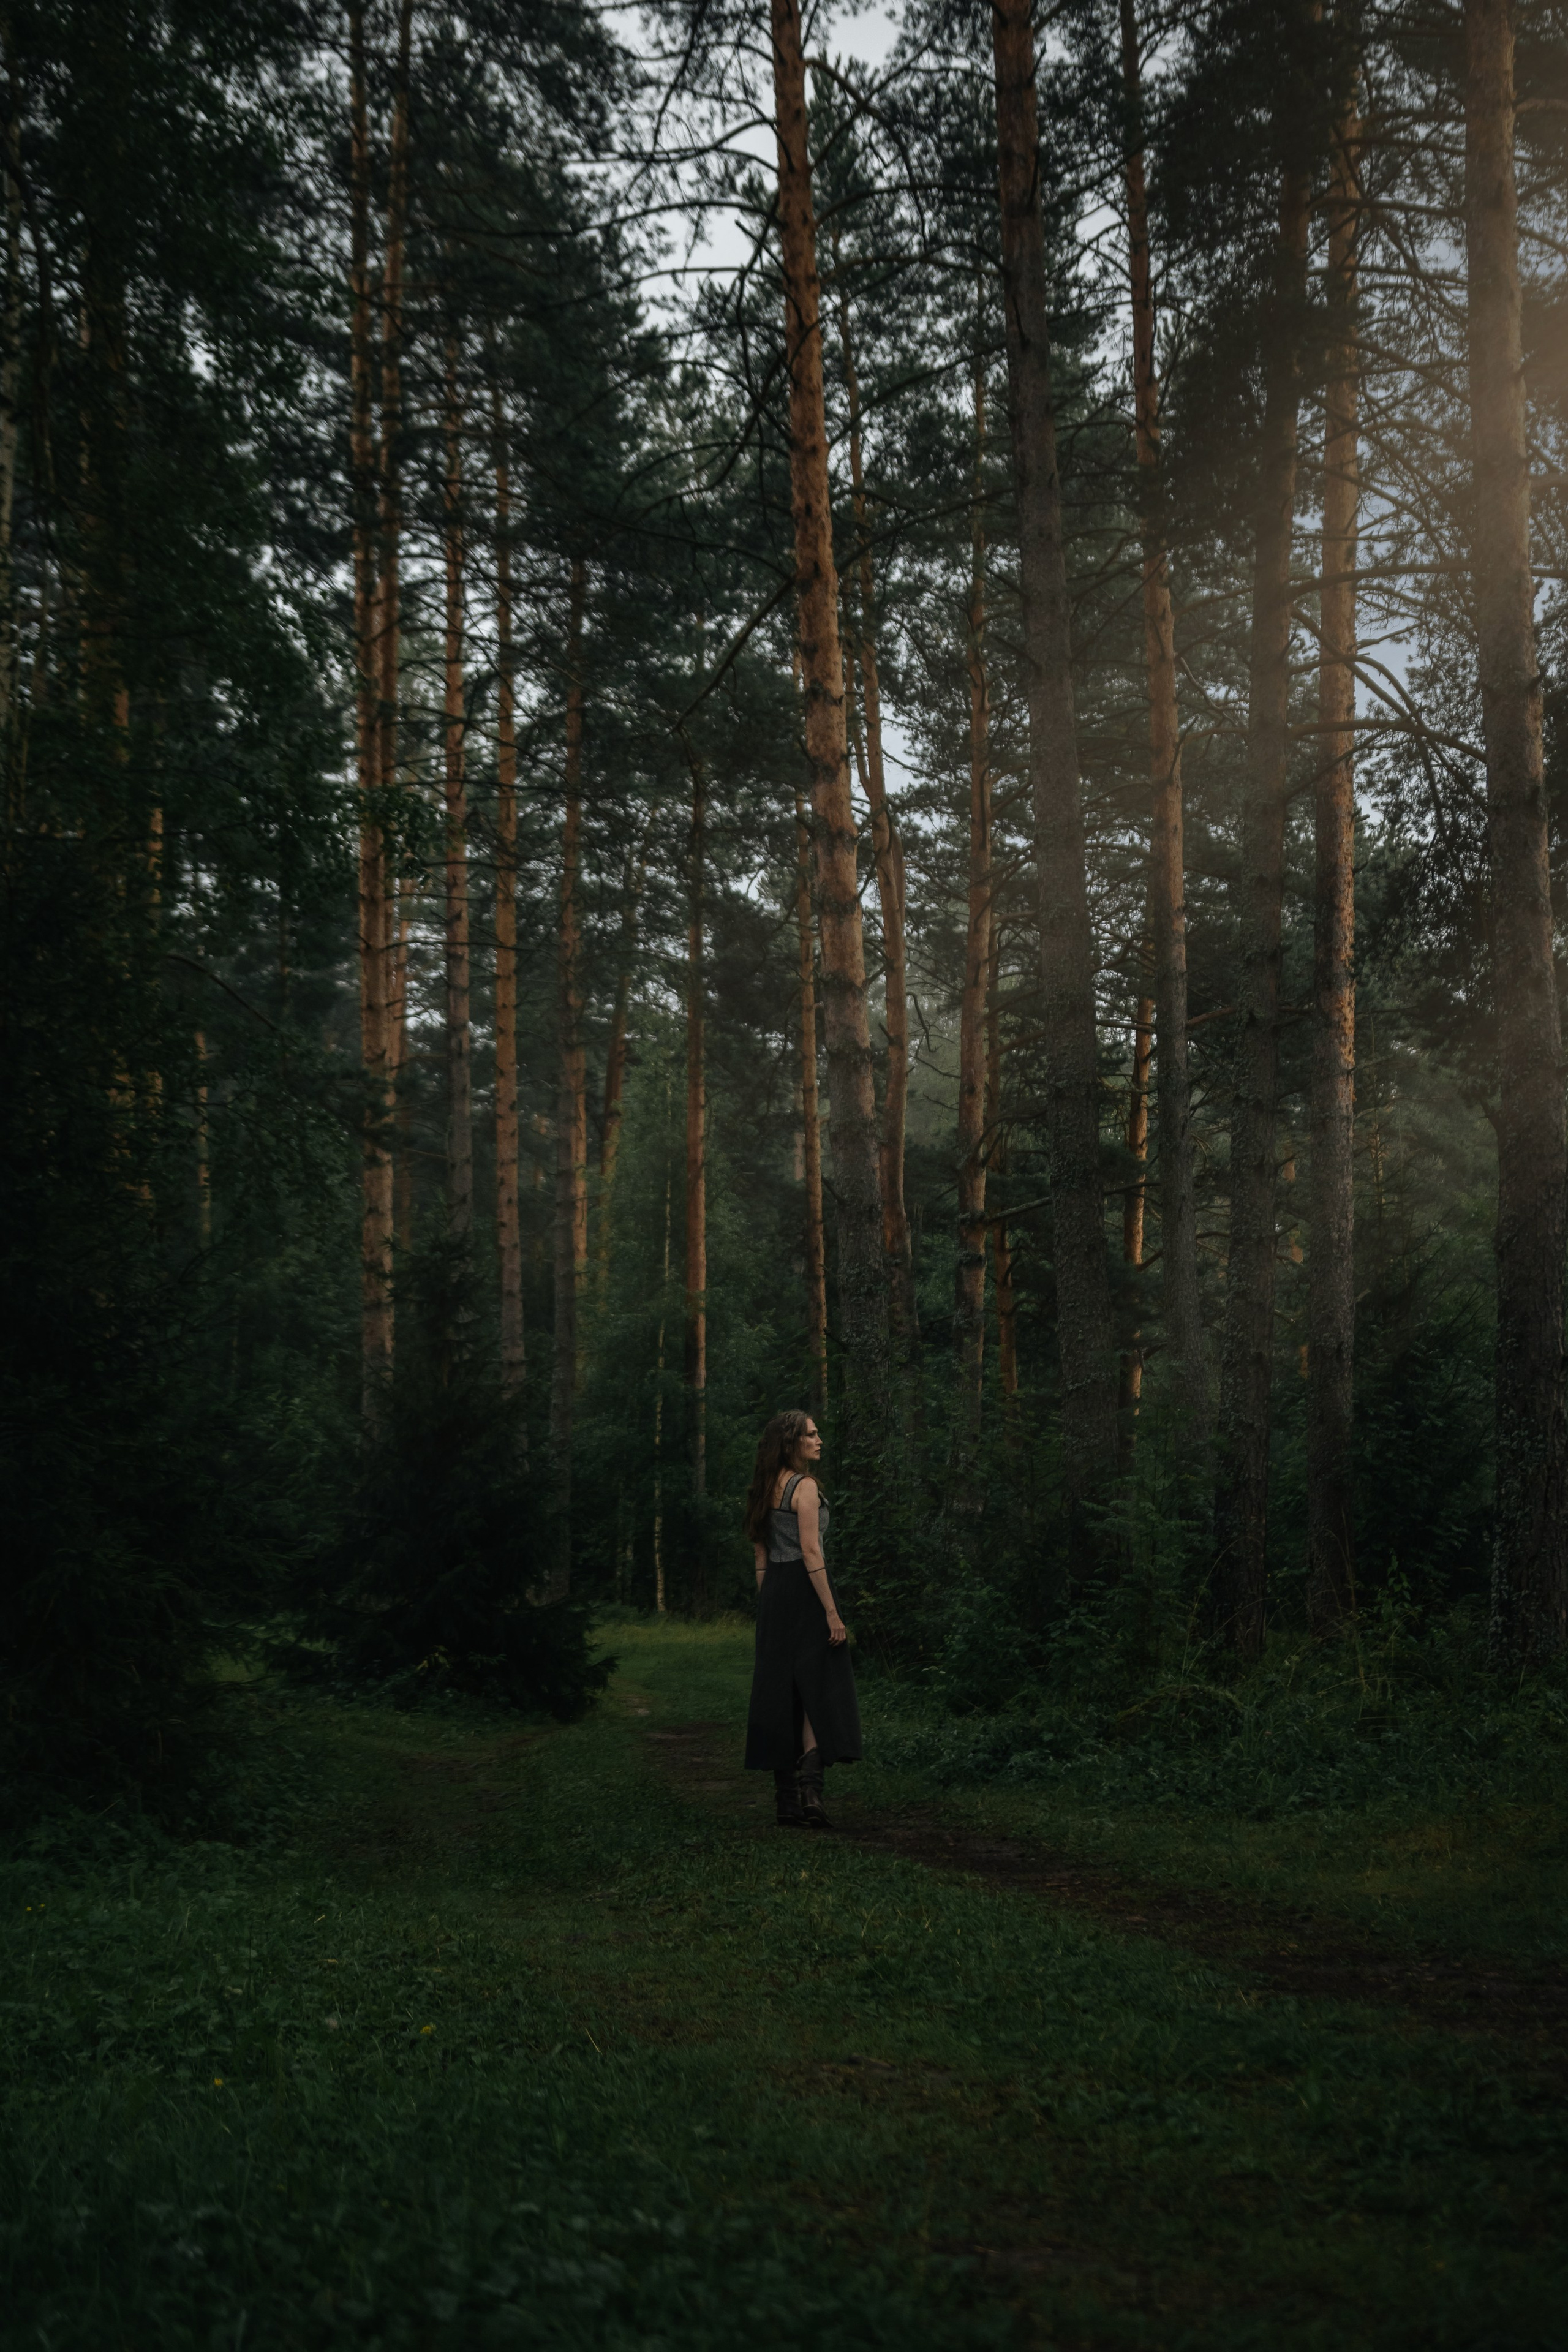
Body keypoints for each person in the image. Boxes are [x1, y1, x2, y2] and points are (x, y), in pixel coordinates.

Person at [741, 1409, 861, 1827]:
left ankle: (785, 1800)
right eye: (811, 1435)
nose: (819, 1440)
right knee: (818, 1685)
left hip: (775, 1592)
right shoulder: (805, 1487)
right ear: (792, 1442)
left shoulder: (761, 1488)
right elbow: (812, 1552)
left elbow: (760, 1556)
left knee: (780, 1690)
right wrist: (831, 1612)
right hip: (808, 1591)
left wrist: (770, 1602)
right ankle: (811, 1793)